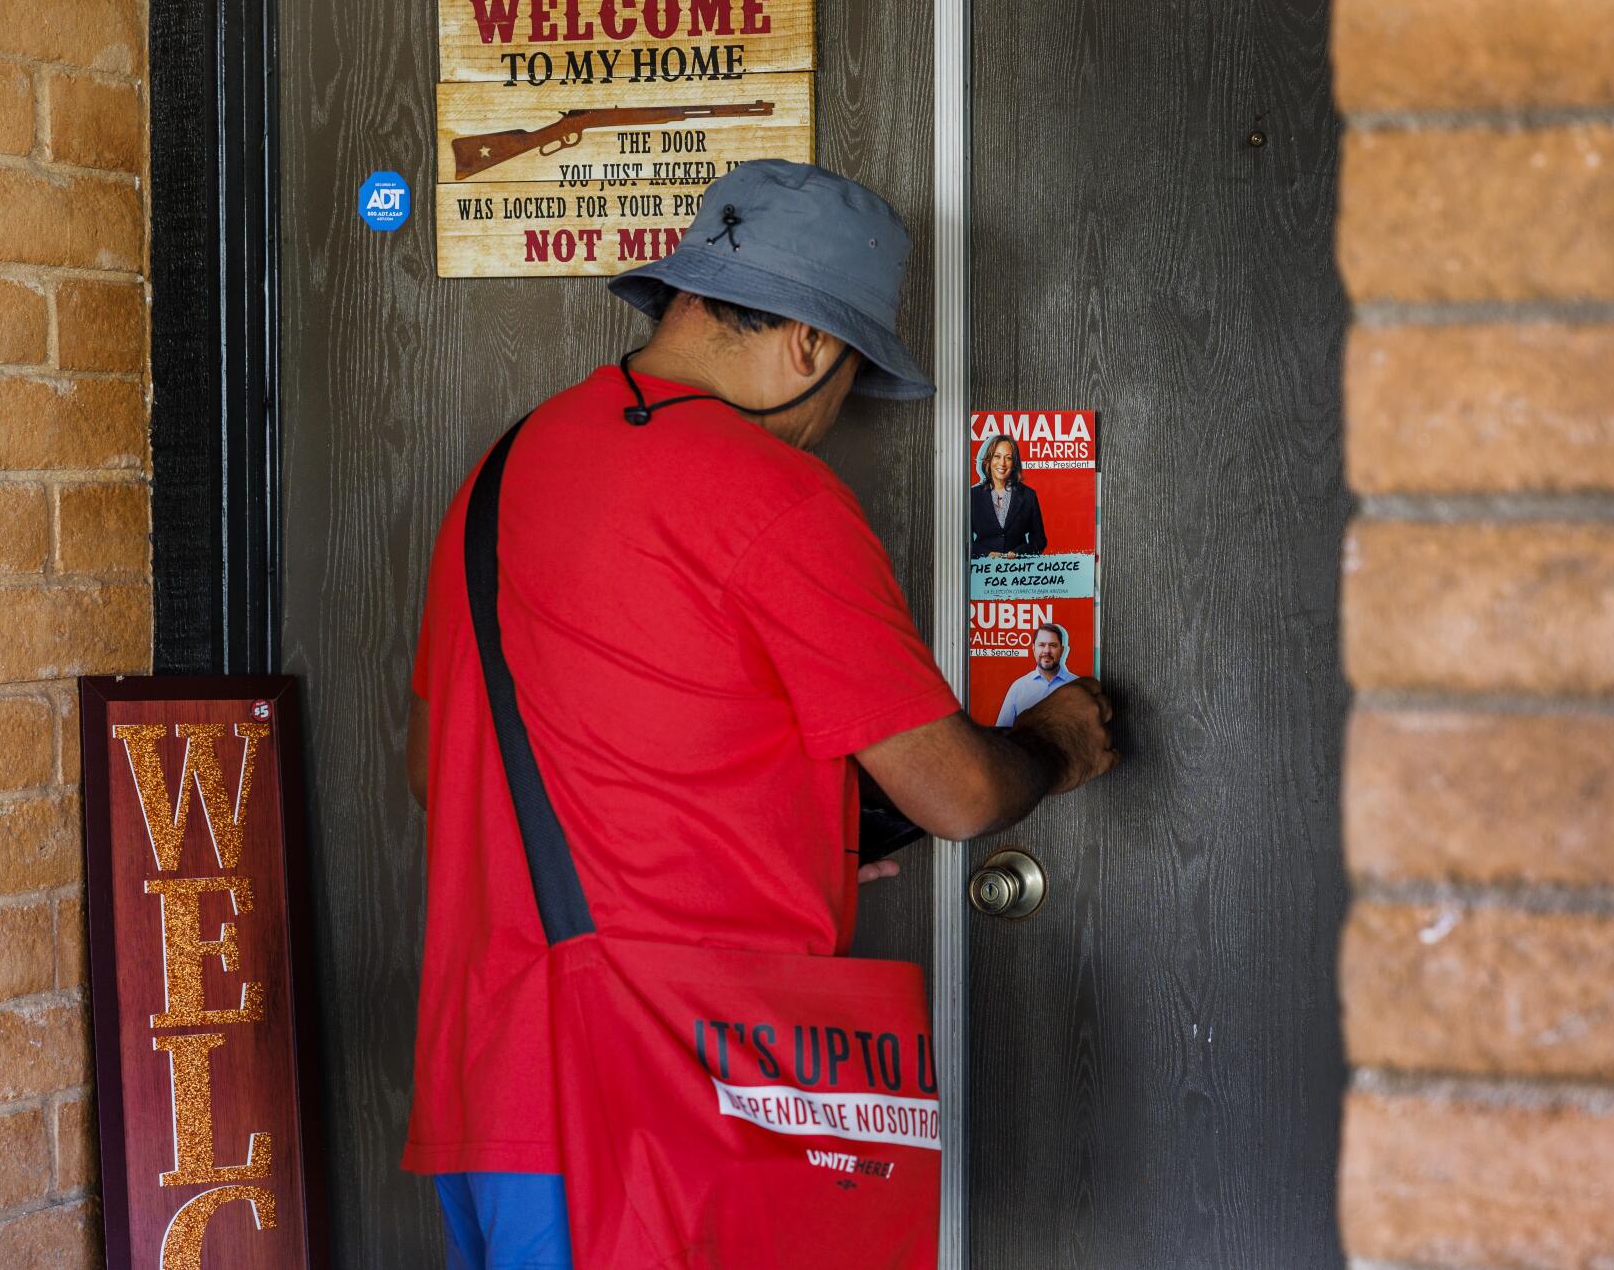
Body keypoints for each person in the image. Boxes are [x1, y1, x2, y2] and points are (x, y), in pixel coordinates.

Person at [402, 160, 1118, 1269]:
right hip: (662, 1097)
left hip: (489, 1093)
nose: (831, 419)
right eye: (849, 384)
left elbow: (445, 769)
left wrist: (779, 827)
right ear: (811, 346)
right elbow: (957, 791)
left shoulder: (502, 471)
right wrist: (1057, 743)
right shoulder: (769, 492)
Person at [969, 433, 1047, 558]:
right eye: (997, 456)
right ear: (989, 461)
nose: (1002, 463)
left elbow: (1039, 540)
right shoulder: (972, 496)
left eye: (1008, 458)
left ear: (1014, 463)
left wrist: (1018, 554)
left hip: (1018, 570)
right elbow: (964, 542)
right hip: (983, 571)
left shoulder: (1028, 496)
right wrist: (986, 554)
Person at [994, 622, 1079, 727]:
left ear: (1062, 650)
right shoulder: (1018, 688)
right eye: (1042, 645)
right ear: (1033, 649)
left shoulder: (1078, 686)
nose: (1047, 651)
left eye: (1053, 645)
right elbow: (1001, 732)